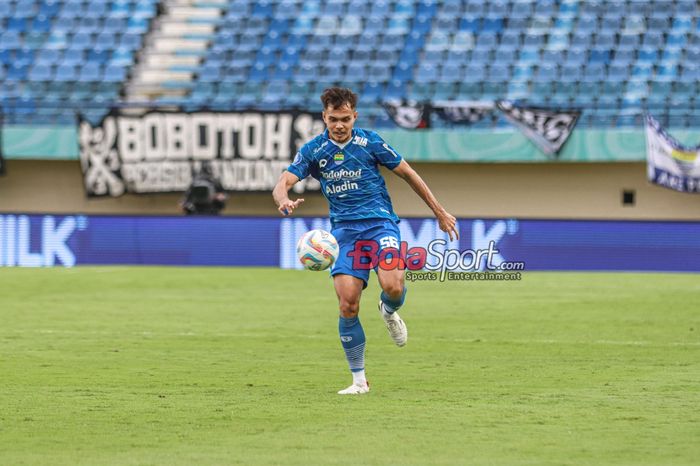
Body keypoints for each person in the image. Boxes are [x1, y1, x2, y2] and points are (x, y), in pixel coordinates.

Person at [272, 87, 459, 395]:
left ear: (354, 116)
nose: (339, 125)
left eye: (345, 119)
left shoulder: (370, 142)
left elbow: (408, 173)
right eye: (333, 119)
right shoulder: (314, 150)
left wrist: (439, 212)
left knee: (393, 287)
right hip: (344, 234)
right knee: (347, 304)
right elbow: (284, 182)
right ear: (324, 117)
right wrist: (284, 200)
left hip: (380, 225)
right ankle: (359, 381)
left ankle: (388, 311)